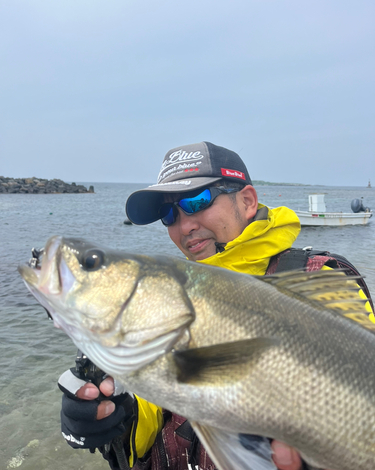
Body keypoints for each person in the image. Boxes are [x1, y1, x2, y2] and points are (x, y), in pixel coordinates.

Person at [58, 142, 373, 470]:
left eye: (197, 201)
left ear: (248, 201)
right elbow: (156, 402)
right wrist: (113, 415)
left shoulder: (318, 277)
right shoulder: (168, 298)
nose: (184, 226)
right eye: (169, 214)